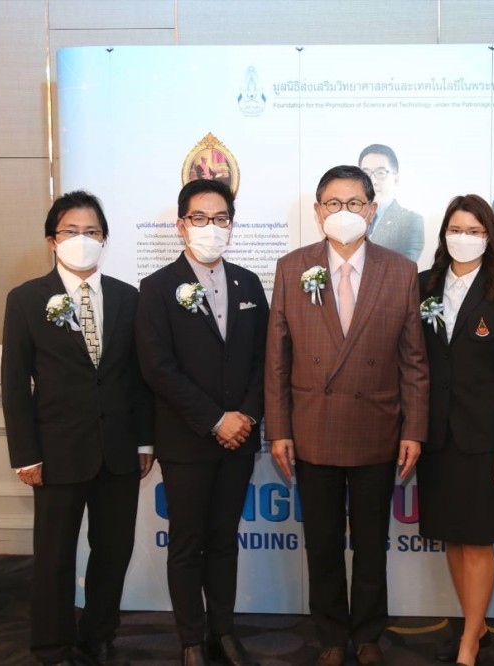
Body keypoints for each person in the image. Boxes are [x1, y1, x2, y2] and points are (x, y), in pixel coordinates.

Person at [265, 165, 429, 666]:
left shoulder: (400, 271)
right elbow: (277, 358)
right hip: (312, 429)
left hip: (377, 429)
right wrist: (279, 430)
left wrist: (414, 430)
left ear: (372, 210)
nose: (345, 212)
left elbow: (414, 361)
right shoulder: (292, 268)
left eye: (355, 203)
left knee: (372, 545)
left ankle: (369, 634)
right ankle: (332, 635)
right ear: (318, 212)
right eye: (334, 203)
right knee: (322, 544)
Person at [1, 190, 154, 666]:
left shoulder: (129, 298)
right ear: (52, 239)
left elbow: (138, 378)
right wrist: (25, 455)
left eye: (91, 231)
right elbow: (14, 383)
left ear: (104, 239)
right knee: (54, 555)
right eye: (71, 231)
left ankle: (99, 634)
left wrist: (145, 441)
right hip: (56, 451)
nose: (82, 239)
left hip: (119, 450)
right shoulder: (26, 299)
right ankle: (52, 644)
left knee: (113, 551)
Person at [135, 179, 268, 666]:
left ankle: (223, 632)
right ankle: (191, 638)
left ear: (232, 225)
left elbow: (264, 360)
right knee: (188, 543)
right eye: (200, 218)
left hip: (240, 438)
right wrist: (215, 420)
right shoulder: (156, 288)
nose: (211, 227)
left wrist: (246, 415)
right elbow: (158, 369)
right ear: (181, 225)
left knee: (224, 541)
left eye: (220, 219)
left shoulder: (249, 284)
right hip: (187, 439)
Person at [417, 194, 494, 666]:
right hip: (436, 436)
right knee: (452, 536)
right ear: (444, 234)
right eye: (456, 230)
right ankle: (474, 624)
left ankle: (468, 642)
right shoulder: (424, 284)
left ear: (489, 237)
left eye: (475, 231)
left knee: (478, 541)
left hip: (485, 439)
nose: (464, 238)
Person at [359, 143, 424, 262]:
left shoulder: (411, 221)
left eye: (381, 173)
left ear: (396, 179)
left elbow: (405, 267)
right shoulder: (349, 216)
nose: (372, 181)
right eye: (365, 174)